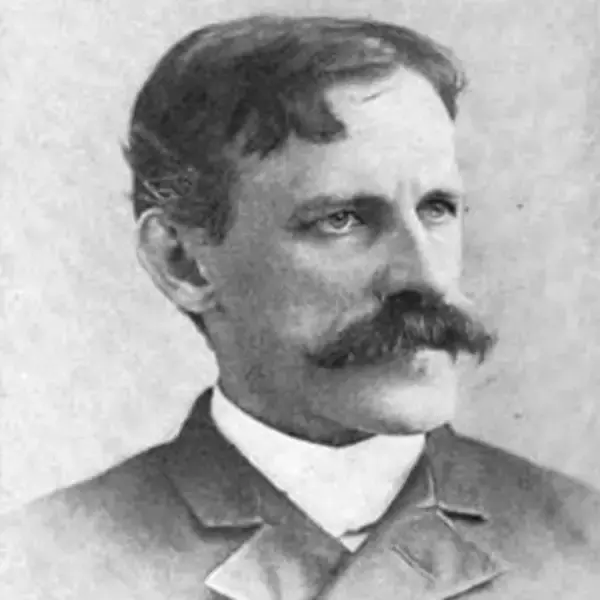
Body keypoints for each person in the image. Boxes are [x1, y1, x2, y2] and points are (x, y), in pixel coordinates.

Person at [2, 14, 599, 600]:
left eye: (437, 209)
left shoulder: (581, 542)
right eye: (342, 219)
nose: (426, 276)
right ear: (182, 262)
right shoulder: (46, 562)